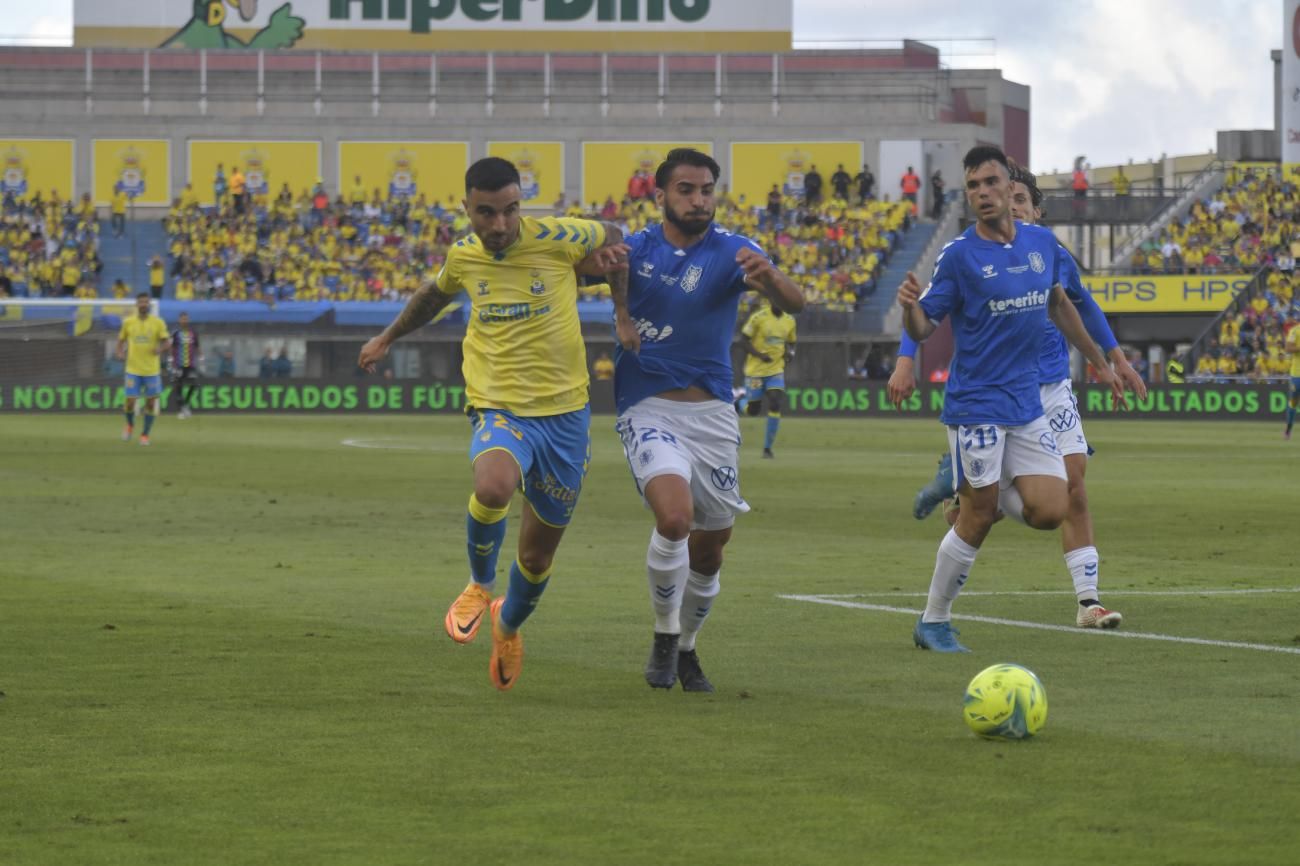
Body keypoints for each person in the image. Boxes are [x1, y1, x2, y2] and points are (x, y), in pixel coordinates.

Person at [358, 156, 623, 691]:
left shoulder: (559, 236)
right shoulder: (463, 256)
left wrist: (610, 297)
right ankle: (480, 584)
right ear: (466, 209)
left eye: (509, 211)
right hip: (498, 403)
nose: (499, 225)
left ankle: (507, 625)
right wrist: (387, 337)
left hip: (566, 414)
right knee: (494, 483)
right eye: (486, 213)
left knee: (536, 554)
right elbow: (434, 295)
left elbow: (617, 239)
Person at [895, 145, 1129, 653]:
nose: (982, 193)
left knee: (1051, 507)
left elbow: (1061, 303)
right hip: (978, 404)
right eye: (973, 186)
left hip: (1027, 403)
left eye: (990, 183)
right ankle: (933, 621)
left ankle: (977, 483)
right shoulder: (959, 256)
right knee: (976, 517)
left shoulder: (1042, 245)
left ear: (1010, 188)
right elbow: (925, 322)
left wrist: (1099, 360)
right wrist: (910, 315)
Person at [601, 148, 804, 691]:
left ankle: (688, 647)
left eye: (707, 189)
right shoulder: (636, 248)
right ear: (661, 195)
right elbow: (586, 264)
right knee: (673, 518)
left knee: (711, 546)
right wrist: (618, 306)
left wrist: (770, 278)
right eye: (686, 189)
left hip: (713, 414)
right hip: (648, 407)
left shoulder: (736, 251)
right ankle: (665, 635)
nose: (698, 199)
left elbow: (796, 301)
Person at [740, 299, 797, 458]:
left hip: (776, 370)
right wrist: (759, 355)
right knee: (753, 410)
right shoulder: (759, 317)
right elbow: (743, 340)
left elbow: (792, 342)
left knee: (775, 402)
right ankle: (739, 403)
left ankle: (767, 449)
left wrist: (790, 353)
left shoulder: (790, 320)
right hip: (756, 372)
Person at [116, 293, 170, 446]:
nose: (143, 304)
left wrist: (159, 350)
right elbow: (120, 341)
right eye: (141, 302)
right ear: (137, 304)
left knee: (151, 403)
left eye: (146, 302)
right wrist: (119, 352)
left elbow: (167, 343)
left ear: (149, 305)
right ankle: (130, 424)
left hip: (151, 371)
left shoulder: (158, 323)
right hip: (133, 369)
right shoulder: (128, 322)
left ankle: (145, 434)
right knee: (130, 402)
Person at [169, 311, 202, 419]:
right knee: (179, 387)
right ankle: (182, 410)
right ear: (179, 320)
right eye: (182, 319)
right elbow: (171, 347)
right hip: (178, 365)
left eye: (186, 319)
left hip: (191, 365)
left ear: (188, 320)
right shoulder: (175, 333)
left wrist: (201, 357)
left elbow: (197, 346)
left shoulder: (193, 333)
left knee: (194, 385)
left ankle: (185, 405)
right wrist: (170, 361)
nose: (184, 321)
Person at [1286, 320, 1300, 439]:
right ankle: (1288, 429)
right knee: (1294, 401)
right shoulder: (1295, 331)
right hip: (1297, 374)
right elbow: (1288, 348)